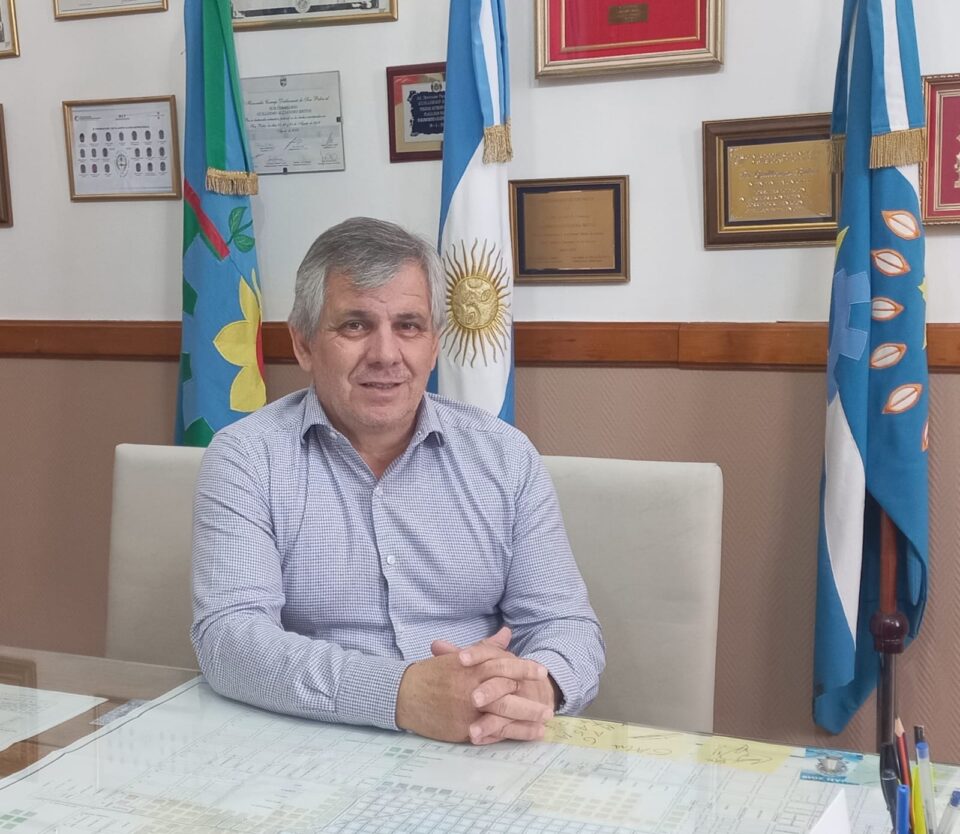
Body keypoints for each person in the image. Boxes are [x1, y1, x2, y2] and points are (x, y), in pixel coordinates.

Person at [191, 216, 604, 745]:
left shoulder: (505, 457)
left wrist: (532, 686)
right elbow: (230, 640)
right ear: (303, 344)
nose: (386, 354)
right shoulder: (247, 459)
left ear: (434, 345)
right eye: (355, 326)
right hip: (311, 745)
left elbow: (566, 625)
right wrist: (401, 694)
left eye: (409, 326)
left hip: (484, 739)